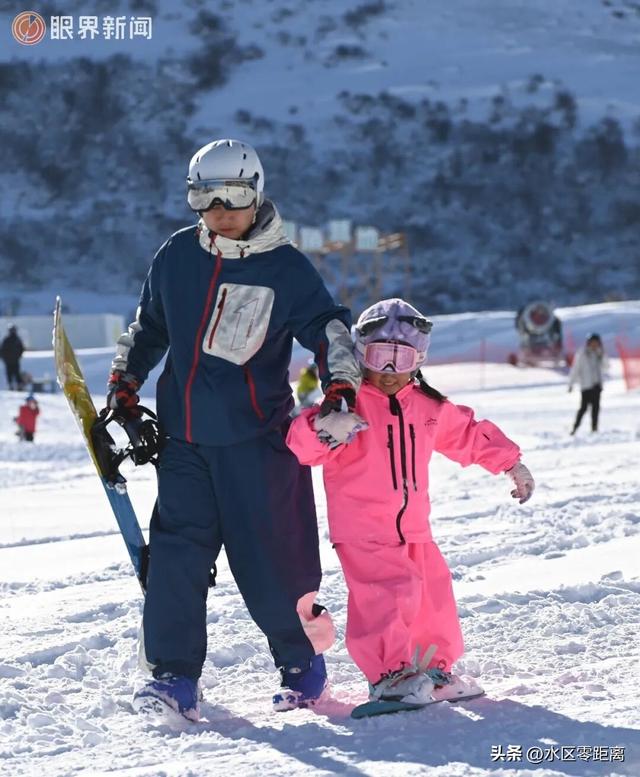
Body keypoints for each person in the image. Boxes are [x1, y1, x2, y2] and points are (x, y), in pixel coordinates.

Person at [103, 138, 364, 720]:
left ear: (257, 192)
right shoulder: (176, 256)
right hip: (184, 442)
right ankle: (173, 678)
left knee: (270, 560)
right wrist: (126, 379)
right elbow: (149, 327)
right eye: (205, 196)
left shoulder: (286, 268)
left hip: (256, 444)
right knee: (175, 558)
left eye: (234, 195)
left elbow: (329, 329)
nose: (221, 209)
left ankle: (301, 664)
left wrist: (340, 387)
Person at [286, 298, 535, 707]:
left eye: (399, 357)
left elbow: (468, 435)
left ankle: (432, 671)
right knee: (386, 598)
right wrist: (326, 426)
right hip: (363, 529)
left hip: (414, 527)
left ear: (418, 358)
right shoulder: (347, 405)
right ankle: (390, 676)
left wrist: (511, 463)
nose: (388, 370)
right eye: (379, 355)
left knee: (432, 598)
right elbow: (301, 445)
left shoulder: (426, 405)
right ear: (360, 353)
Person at [568, 333, 608, 435]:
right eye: (592, 343)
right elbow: (575, 369)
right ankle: (575, 428)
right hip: (586, 386)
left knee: (596, 409)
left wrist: (602, 355)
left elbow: (606, 367)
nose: (594, 345)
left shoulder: (600, 354)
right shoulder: (582, 354)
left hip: (597, 386)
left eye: (596, 343)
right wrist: (571, 383)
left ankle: (594, 429)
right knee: (583, 408)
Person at [1, 325, 25, 390]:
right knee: (11, 374)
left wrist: (18, 356)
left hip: (13, 360)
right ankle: (12, 386)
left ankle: (18, 386)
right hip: (10, 361)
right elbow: (2, 350)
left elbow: (21, 349)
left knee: (15, 374)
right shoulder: (7, 340)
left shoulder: (17, 339)